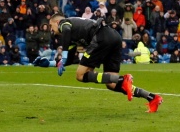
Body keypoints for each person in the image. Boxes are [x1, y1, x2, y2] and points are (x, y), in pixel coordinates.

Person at [33, 14, 163, 113]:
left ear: (57, 21)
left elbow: (66, 31)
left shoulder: (64, 23)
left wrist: (64, 54)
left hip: (101, 37)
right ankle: (152, 98)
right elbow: (69, 60)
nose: (51, 29)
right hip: (113, 37)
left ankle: (123, 79)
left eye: (51, 26)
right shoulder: (71, 36)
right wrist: (49, 63)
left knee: (80, 75)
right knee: (112, 84)